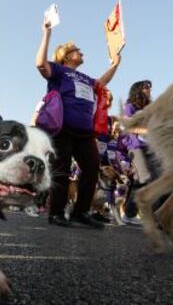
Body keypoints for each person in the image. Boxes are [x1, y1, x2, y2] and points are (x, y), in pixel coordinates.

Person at [36, 18, 121, 228]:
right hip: (62, 128)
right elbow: (40, 64)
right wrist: (46, 33)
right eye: (77, 50)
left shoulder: (85, 77)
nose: (81, 53)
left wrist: (116, 64)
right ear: (66, 56)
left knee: (92, 167)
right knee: (62, 170)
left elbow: (102, 83)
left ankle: (81, 212)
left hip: (84, 132)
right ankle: (55, 212)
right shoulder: (58, 71)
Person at [120, 80, 152, 225]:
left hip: (150, 147)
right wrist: (146, 130)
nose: (148, 90)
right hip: (136, 146)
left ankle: (157, 215)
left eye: (149, 88)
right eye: (146, 88)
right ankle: (129, 214)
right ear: (138, 90)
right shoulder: (130, 107)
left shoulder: (150, 108)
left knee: (158, 178)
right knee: (142, 179)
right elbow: (128, 126)